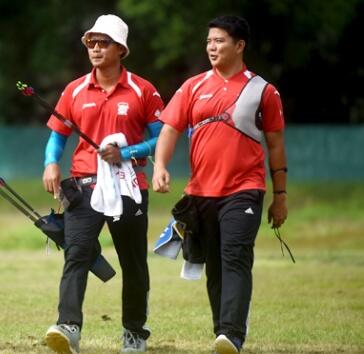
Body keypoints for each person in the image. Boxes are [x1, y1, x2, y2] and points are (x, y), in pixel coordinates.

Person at [152, 15, 288, 354]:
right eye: (209, 40)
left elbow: (275, 145)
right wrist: (161, 167)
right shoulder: (192, 86)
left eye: (220, 41)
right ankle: (222, 334)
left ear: (239, 45)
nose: (212, 46)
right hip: (200, 193)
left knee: (235, 257)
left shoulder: (263, 91)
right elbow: (169, 129)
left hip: (245, 188)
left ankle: (232, 334)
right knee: (214, 265)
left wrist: (280, 197)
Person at [42, 14, 165, 354]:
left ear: (121, 49)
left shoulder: (144, 89)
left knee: (133, 262)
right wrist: (51, 162)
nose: (95, 48)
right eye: (91, 43)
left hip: (128, 187)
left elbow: (162, 138)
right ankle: (68, 326)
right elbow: (57, 136)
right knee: (76, 254)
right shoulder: (75, 89)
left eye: (103, 42)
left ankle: (134, 332)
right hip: (84, 187)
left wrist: (129, 151)